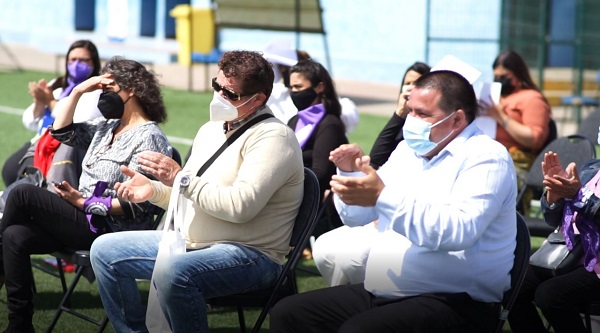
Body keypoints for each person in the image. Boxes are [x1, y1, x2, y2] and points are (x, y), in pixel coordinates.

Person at [270, 70, 517, 333]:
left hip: (455, 300)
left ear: (457, 119)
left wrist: (382, 195)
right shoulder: (408, 151)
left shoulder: (486, 157)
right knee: (289, 314)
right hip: (387, 291)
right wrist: (350, 176)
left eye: (422, 114)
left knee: (359, 329)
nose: (411, 120)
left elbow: (458, 232)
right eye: (410, 111)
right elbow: (356, 218)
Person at [89, 50, 304, 333]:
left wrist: (180, 177)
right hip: (190, 243)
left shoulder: (274, 137)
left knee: (174, 272)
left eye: (230, 93)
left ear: (259, 99)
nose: (218, 96)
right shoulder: (211, 129)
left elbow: (239, 207)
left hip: (251, 255)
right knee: (104, 250)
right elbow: (190, 197)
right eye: (217, 86)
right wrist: (152, 191)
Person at [0, 56, 171, 333]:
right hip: (81, 219)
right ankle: (19, 326)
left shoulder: (149, 137)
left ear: (133, 90)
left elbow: (141, 204)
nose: (103, 94)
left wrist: (86, 202)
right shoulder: (106, 128)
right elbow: (61, 131)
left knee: (21, 195)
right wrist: (79, 90)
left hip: (110, 231)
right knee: (14, 236)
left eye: (109, 87)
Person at [312, 61, 430, 286]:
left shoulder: (479, 154)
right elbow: (375, 166)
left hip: (413, 231)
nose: (411, 90)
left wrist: (386, 209)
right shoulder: (408, 145)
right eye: (407, 84)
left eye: (421, 111)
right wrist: (350, 173)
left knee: (351, 258)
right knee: (325, 246)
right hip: (384, 220)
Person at [507, 151, 600, 333]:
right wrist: (554, 196)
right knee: (512, 282)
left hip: (595, 267)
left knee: (550, 295)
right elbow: (553, 219)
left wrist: (580, 196)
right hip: (568, 254)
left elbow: (583, 200)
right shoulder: (592, 167)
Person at [1, 39, 103, 187]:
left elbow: (78, 120)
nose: (76, 64)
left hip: (64, 147)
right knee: (10, 170)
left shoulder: (96, 91)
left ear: (94, 63)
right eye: (73, 59)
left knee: (30, 184)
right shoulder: (58, 84)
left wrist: (50, 101)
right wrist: (39, 101)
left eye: (83, 60)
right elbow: (29, 121)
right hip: (40, 140)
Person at [287, 60, 348, 243]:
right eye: (291, 87)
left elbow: (320, 173)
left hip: (310, 199)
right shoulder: (294, 121)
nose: (294, 92)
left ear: (319, 87)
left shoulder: (329, 123)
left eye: (299, 87)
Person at [483, 50, 552, 188]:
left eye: (505, 76)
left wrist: (501, 117)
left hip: (518, 162)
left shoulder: (532, 98)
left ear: (518, 75)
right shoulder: (494, 96)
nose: (500, 80)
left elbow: (534, 139)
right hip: (488, 154)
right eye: (496, 76)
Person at [263, 41, 360, 133]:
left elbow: (346, 116)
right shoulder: (277, 93)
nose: (286, 72)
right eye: (282, 68)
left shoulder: (340, 109)